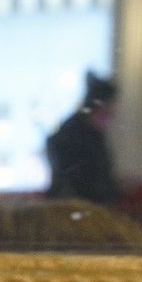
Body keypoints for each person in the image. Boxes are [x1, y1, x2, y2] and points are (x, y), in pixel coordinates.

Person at [45, 71, 120, 205]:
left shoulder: (90, 133)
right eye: (109, 109)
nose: (112, 115)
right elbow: (81, 181)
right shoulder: (73, 136)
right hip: (76, 208)